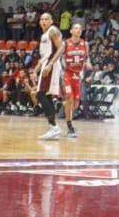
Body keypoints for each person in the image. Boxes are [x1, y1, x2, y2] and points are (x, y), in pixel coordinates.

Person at [34, 12, 65, 140]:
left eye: (47, 19)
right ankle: (53, 127)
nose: (44, 21)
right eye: (42, 19)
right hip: (46, 64)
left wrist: (50, 65)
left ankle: (54, 127)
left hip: (51, 65)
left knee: (40, 94)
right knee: (45, 95)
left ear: (51, 21)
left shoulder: (53, 31)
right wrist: (35, 70)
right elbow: (44, 56)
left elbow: (61, 48)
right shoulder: (44, 35)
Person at [61, 23, 89, 138]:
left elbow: (87, 57)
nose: (78, 30)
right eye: (76, 28)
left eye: (80, 28)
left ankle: (65, 106)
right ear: (71, 31)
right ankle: (70, 126)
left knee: (76, 105)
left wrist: (88, 63)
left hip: (78, 75)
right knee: (69, 98)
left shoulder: (85, 44)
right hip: (67, 73)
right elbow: (59, 56)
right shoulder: (65, 43)